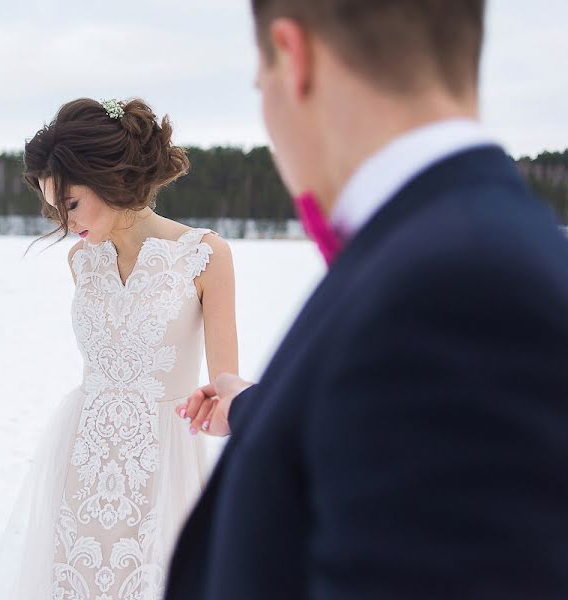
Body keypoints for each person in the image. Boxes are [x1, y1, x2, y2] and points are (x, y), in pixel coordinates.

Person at [166, 1, 568, 598]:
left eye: (261, 85)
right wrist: (256, 407)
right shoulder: (447, 248)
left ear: (293, 57)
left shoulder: (457, 290)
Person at [0, 97, 238, 599]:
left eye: (70, 203)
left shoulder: (205, 256)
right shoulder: (81, 261)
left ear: (109, 178)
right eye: (53, 206)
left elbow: (227, 391)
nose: (63, 219)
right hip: (82, 456)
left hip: (163, 461)